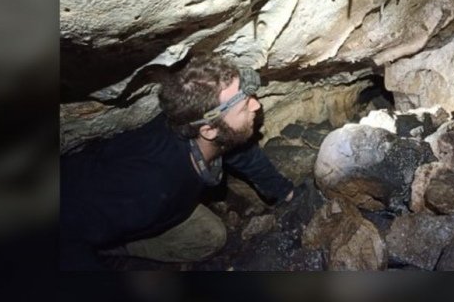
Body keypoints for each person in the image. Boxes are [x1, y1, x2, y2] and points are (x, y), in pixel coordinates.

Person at [60, 54, 294, 270]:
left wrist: (284, 191)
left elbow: (238, 150)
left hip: (164, 206)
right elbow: (67, 233)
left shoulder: (203, 129)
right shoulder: (148, 185)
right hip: (76, 208)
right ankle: (112, 248)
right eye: (244, 106)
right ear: (209, 130)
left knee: (211, 237)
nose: (257, 105)